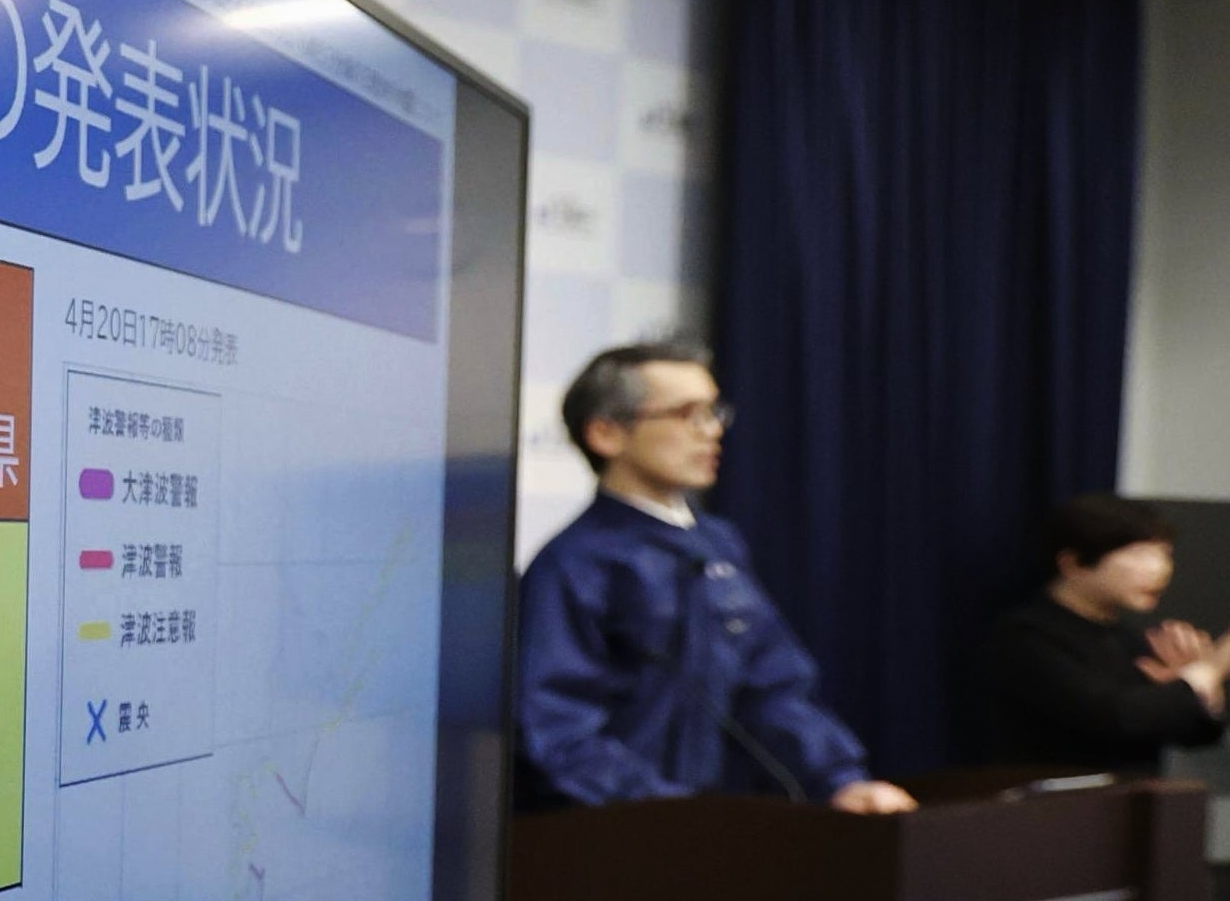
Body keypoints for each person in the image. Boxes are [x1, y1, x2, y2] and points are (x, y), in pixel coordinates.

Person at [518, 342, 917, 812]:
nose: (711, 432)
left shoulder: (718, 545)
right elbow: (558, 731)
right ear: (606, 434)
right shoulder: (574, 565)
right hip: (619, 840)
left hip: (716, 834)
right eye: (688, 414)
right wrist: (669, 812)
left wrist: (839, 780)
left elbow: (772, 684)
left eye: (714, 412)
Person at [974, 494, 1230, 777]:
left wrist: (1194, 691)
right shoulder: (1026, 635)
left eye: (1165, 554)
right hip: (1054, 808)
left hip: (1134, 805)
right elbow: (1114, 716)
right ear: (1074, 563)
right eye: (1139, 555)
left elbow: (1197, 734)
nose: (1161, 570)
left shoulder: (1128, 639)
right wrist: (1205, 672)